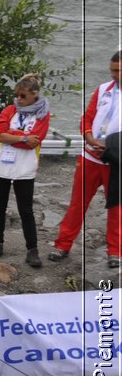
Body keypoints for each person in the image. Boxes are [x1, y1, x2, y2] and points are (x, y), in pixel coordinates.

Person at [49, 50, 120, 268]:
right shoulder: (102, 90)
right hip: (89, 156)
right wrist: (89, 137)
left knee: (116, 207)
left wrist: (109, 147)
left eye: (119, 71)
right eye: (113, 70)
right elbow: (88, 117)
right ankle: (63, 245)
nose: (115, 75)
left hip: (115, 161)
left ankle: (115, 251)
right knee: (77, 204)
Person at [0, 73, 49, 268]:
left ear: (34, 94)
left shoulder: (42, 114)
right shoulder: (10, 110)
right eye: (17, 95)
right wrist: (22, 137)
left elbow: (35, 141)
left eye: (23, 96)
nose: (19, 99)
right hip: (3, 166)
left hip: (25, 167)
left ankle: (32, 249)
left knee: (26, 210)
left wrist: (11, 136)